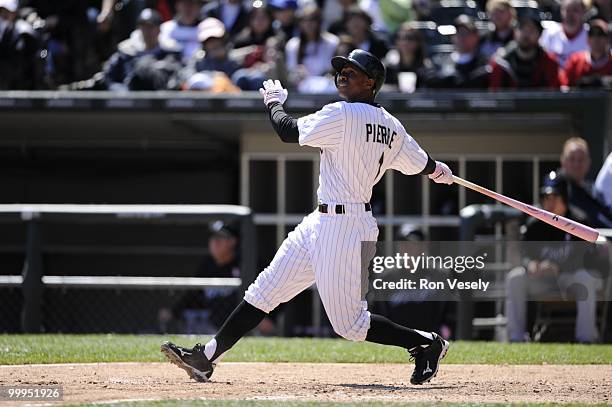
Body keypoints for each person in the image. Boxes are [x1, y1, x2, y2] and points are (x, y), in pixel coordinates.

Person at [161, 49, 452, 386]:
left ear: (370, 82)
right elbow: (421, 162)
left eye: (351, 71)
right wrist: (437, 170)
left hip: (345, 227)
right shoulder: (392, 125)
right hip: (324, 220)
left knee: (351, 326)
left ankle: (426, 342)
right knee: (263, 292)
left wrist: (273, 101)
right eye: (340, 69)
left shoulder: (343, 114)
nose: (342, 74)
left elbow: (287, 130)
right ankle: (207, 357)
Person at [505, 172, 604, 343]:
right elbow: (523, 255)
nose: (548, 202)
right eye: (545, 196)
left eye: (554, 196)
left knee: (586, 278)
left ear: (564, 197)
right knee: (515, 278)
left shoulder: (578, 222)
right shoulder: (534, 224)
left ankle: (587, 338)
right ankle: (516, 337)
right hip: (543, 280)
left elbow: (587, 257)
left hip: (570, 278)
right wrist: (532, 265)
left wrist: (558, 267)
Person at [158, 222, 242, 334]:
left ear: (233, 241)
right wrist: (173, 312)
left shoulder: (244, 264)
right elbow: (192, 293)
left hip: (239, 324)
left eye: (221, 238)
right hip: (209, 325)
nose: (215, 242)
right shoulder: (207, 265)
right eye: (213, 238)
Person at [102, 8, 182, 91]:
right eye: (143, 27)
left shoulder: (170, 54)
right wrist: (123, 92)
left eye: (151, 27)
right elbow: (109, 78)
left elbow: (176, 79)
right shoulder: (127, 53)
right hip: (129, 99)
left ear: (159, 29)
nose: (147, 31)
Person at [489, 13, 564, 89]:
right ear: (515, 32)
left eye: (531, 30)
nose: (526, 35)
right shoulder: (500, 63)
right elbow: (495, 95)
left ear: (539, 35)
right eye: (522, 29)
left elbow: (553, 95)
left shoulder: (549, 64)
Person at [556, 137, 612, 228]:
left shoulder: (593, 191)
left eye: (581, 159)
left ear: (588, 162)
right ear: (563, 161)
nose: (576, 164)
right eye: (572, 159)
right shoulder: (556, 190)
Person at [284, 5, 339, 91]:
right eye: (304, 20)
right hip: (301, 90)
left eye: (312, 19)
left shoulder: (332, 42)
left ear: (319, 22)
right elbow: (291, 71)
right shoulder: (292, 44)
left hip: (325, 88)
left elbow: (329, 69)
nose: (308, 24)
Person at [430, 14, 490, 89]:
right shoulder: (440, 62)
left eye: (465, 33)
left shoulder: (484, 64)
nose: (461, 38)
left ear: (476, 37)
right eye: (458, 33)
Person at [0, 0, 43, 90]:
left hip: (21, 87)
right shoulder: (4, 30)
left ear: (15, 13)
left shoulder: (25, 34)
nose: (3, 15)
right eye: (1, 11)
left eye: (7, 12)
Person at [384, 22, 435, 90]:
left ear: (418, 42)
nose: (404, 42)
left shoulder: (426, 67)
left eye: (409, 38)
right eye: (400, 38)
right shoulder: (390, 66)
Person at [539, 0, 589, 67]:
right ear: (561, 11)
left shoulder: (591, 34)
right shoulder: (550, 32)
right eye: (567, 10)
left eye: (575, 10)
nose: (571, 15)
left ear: (583, 12)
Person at [563, 19, 611, 88]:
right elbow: (564, 88)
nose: (596, 38)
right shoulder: (575, 61)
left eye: (600, 34)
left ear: (608, 39)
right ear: (587, 39)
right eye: (592, 34)